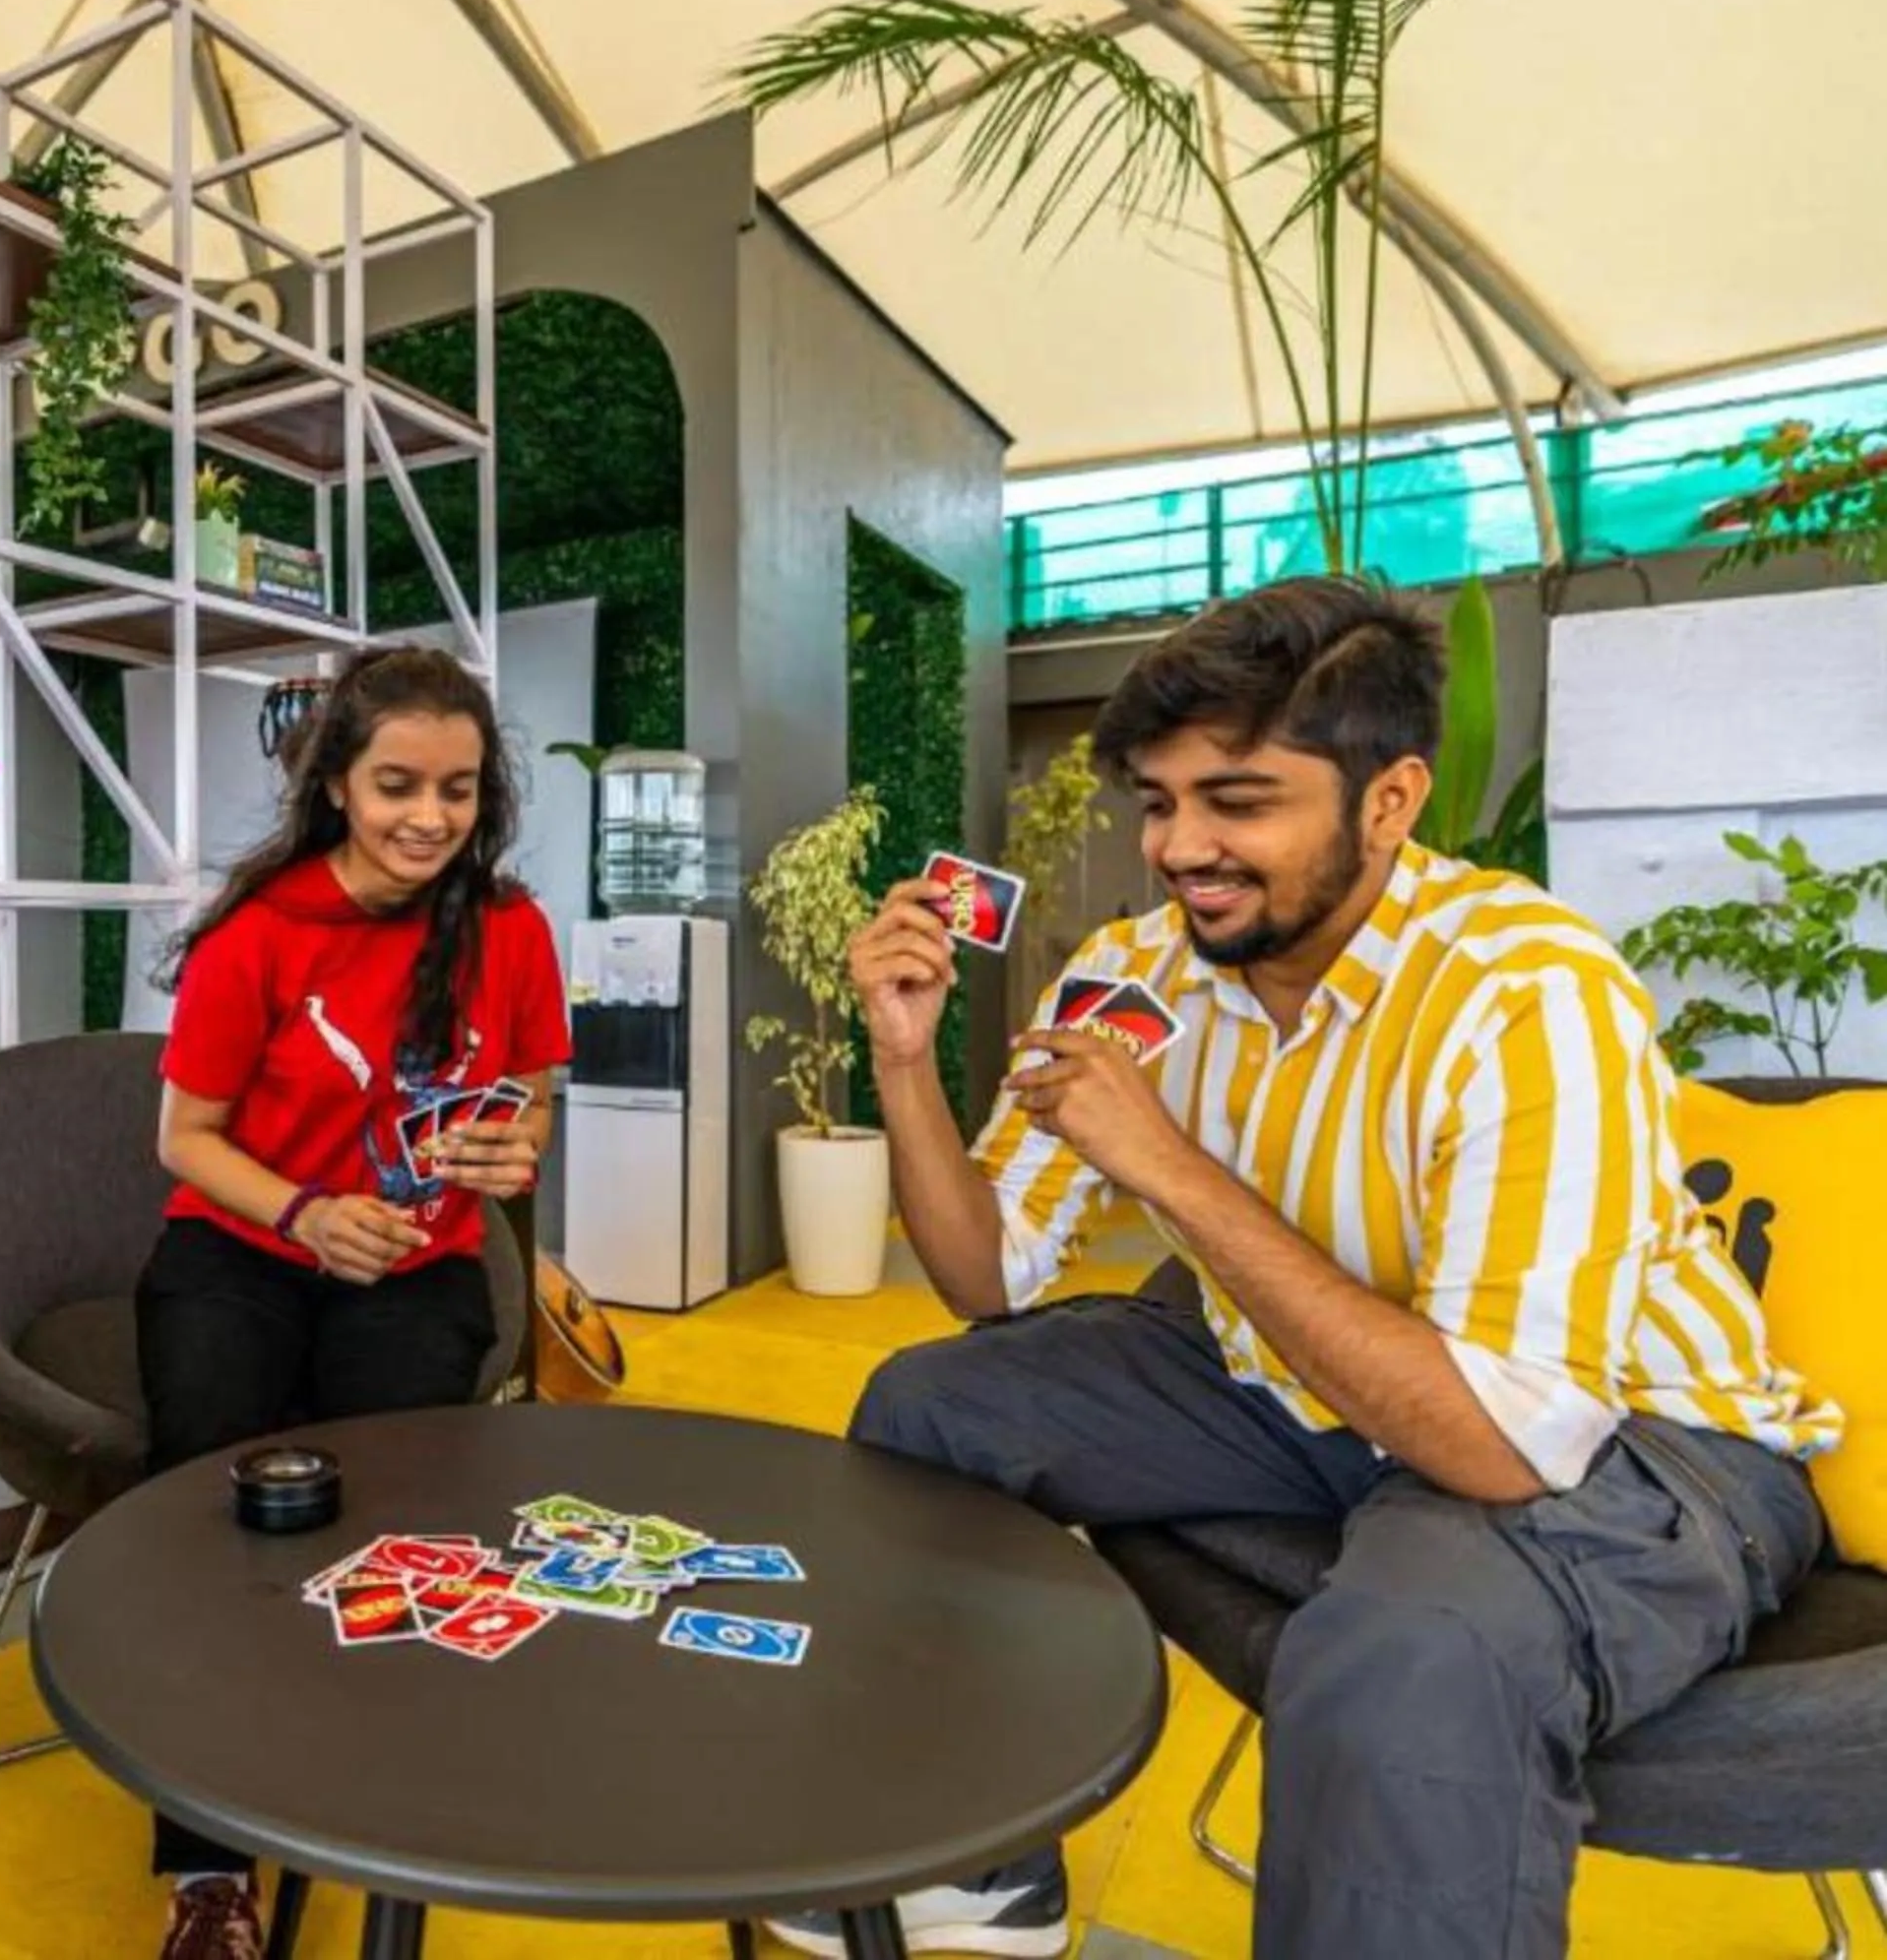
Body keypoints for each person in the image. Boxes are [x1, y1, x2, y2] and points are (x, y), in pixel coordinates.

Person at [769, 577, 1836, 1960]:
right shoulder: (1133, 969)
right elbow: (989, 1275)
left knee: (1408, 1659)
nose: (1180, 847)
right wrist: (903, 1060)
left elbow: (1501, 1434)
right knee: (934, 1404)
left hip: (1630, 1437)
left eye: (1239, 800)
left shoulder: (1524, 988)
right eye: (1158, 801)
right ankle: (989, 1871)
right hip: (1303, 1381)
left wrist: (1167, 1165)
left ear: (1388, 800)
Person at [137, 644, 570, 1960]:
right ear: (335, 782)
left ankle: (365, 1782)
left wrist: (513, 1147)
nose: (428, 817)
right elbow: (184, 1137)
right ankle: (208, 1868)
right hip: (245, 1246)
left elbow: (533, 1093)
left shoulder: (510, 928)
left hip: (417, 1264)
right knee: (217, 1515)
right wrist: (307, 1213)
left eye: (456, 788)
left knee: (398, 1516)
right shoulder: (257, 934)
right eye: (396, 784)